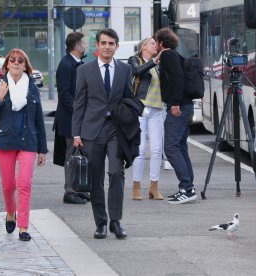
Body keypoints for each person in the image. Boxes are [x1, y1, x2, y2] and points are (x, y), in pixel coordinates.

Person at [72, 28, 133, 239]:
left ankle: (116, 221)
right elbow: (79, 102)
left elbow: (128, 99)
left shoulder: (125, 70)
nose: (107, 47)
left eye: (111, 43)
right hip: (91, 130)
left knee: (116, 173)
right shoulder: (84, 70)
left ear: (116, 46)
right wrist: (76, 133)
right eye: (104, 43)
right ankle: (101, 223)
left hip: (116, 129)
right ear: (97, 46)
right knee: (95, 178)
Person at [0, 48, 48, 241]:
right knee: (8, 185)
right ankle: (10, 212)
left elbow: (39, 120)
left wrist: (42, 149)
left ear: (25, 66)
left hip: (28, 141)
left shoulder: (32, 87)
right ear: (6, 65)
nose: (16, 63)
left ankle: (23, 227)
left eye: (20, 60)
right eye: (12, 60)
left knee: (24, 184)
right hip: (5, 142)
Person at [154, 27, 197, 204]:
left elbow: (178, 78)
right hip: (186, 107)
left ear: (161, 43)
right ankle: (188, 187)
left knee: (171, 148)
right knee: (180, 146)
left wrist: (175, 103)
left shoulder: (167, 55)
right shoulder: (175, 55)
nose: (155, 44)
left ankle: (187, 188)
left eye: (156, 41)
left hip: (178, 108)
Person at [53, 32, 90, 205]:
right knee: (71, 155)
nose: (86, 44)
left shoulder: (76, 63)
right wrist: (78, 111)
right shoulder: (66, 65)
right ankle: (70, 191)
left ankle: (78, 188)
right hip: (69, 119)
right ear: (77, 46)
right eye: (84, 42)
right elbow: (64, 94)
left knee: (79, 153)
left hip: (77, 118)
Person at [128, 38, 165, 201]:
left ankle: (154, 186)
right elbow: (137, 72)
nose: (155, 45)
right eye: (151, 43)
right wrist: (153, 61)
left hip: (157, 109)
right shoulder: (135, 59)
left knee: (157, 150)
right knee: (141, 149)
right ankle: (136, 186)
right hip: (141, 107)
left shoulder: (159, 64)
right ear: (143, 46)